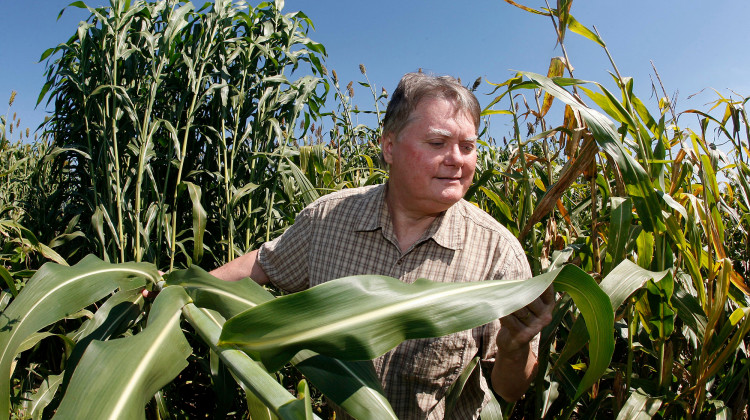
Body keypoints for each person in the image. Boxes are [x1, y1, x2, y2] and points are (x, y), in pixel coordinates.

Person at [211, 72, 555, 419]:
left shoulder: (497, 255)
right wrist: (181, 285)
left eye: (468, 147)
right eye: (438, 143)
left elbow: (510, 389)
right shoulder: (328, 220)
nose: (457, 159)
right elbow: (263, 265)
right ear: (389, 147)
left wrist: (515, 348)